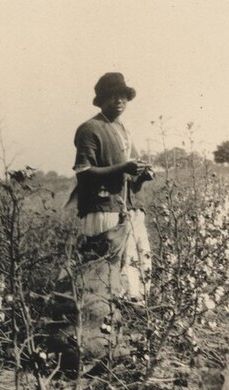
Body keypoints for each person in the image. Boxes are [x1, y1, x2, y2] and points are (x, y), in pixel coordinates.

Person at [71, 72, 154, 299]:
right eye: (112, 96)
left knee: (134, 267)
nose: (118, 100)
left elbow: (131, 180)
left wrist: (143, 176)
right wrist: (124, 168)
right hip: (103, 210)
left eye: (122, 96)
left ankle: (131, 316)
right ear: (101, 100)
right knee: (104, 272)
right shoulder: (90, 128)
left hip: (127, 210)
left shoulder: (124, 130)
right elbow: (84, 173)